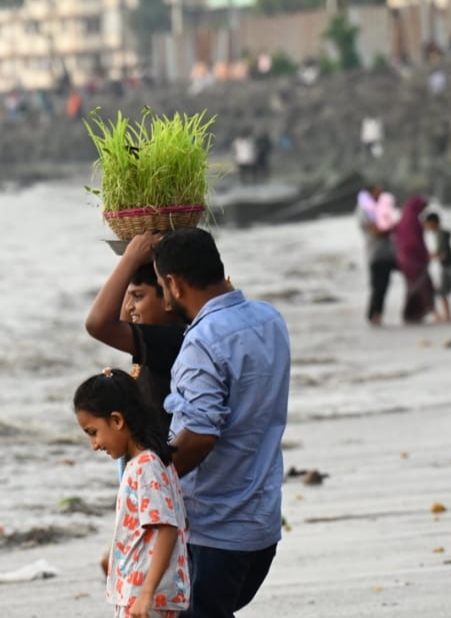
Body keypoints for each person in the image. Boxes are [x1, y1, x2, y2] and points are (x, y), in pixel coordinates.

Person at [152, 228, 290, 618]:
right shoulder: (270, 320)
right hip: (261, 521)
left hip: (216, 527)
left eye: (161, 286)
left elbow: (199, 436)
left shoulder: (202, 342)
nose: (163, 297)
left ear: (175, 285)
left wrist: (150, 481)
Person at [75, 369, 190, 618]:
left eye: (93, 432)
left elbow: (167, 528)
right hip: (144, 593)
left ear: (117, 421)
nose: (94, 445)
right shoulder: (151, 462)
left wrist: (146, 593)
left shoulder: (146, 466)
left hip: (145, 595)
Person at [86, 233, 187, 434]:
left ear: (168, 297)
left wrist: (130, 258)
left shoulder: (173, 340)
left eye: (138, 297)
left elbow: (98, 324)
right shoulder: (162, 339)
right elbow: (123, 322)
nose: (129, 306)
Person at [357, 185, 397, 325]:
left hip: (387, 253)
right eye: (378, 191)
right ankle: (373, 316)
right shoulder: (365, 210)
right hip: (376, 254)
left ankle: (377, 316)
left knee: (383, 286)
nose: (381, 193)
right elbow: (376, 231)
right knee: (378, 287)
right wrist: (396, 227)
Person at [392, 195, 435, 324]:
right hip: (414, 259)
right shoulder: (413, 221)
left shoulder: (403, 219)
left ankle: (412, 315)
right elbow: (415, 242)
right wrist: (424, 255)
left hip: (403, 259)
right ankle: (417, 313)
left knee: (412, 287)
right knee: (423, 286)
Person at [423, 212, 451, 324]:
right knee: (443, 291)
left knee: (441, 291)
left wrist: (429, 257)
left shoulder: (441, 234)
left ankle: (446, 315)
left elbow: (442, 252)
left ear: (432, 223)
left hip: (447, 266)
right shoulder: (440, 233)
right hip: (447, 265)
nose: (426, 227)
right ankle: (447, 315)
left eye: (427, 224)